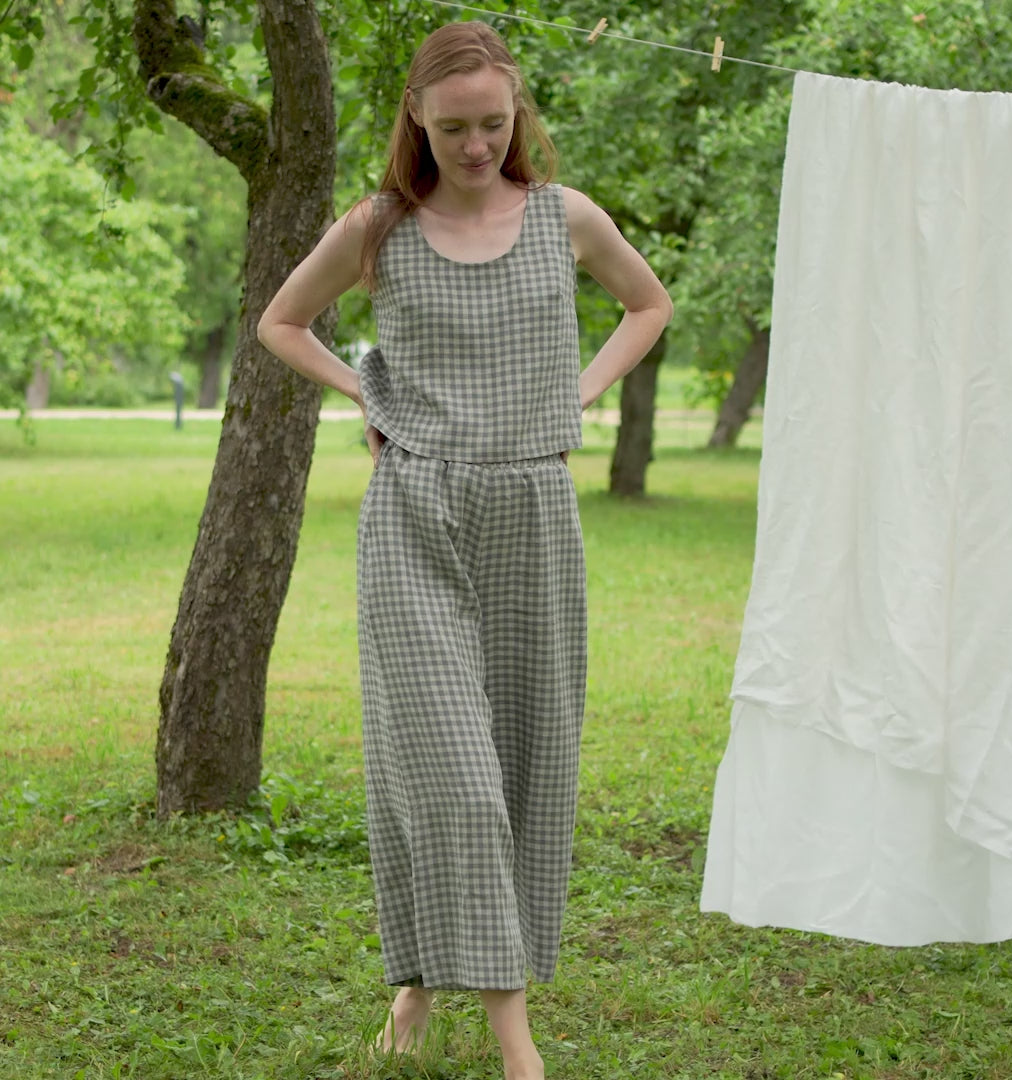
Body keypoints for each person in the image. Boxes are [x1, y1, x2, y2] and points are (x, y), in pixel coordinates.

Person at [257, 20, 672, 1080]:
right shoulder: (378, 228)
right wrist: (371, 393)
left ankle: (414, 985)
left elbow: (647, 304)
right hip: (415, 519)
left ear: (517, 113)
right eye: (454, 128)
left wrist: (575, 395)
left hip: (534, 514)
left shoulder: (565, 219)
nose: (477, 144)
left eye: (494, 123)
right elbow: (283, 323)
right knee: (449, 775)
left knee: (527, 766)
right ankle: (514, 1041)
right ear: (416, 121)